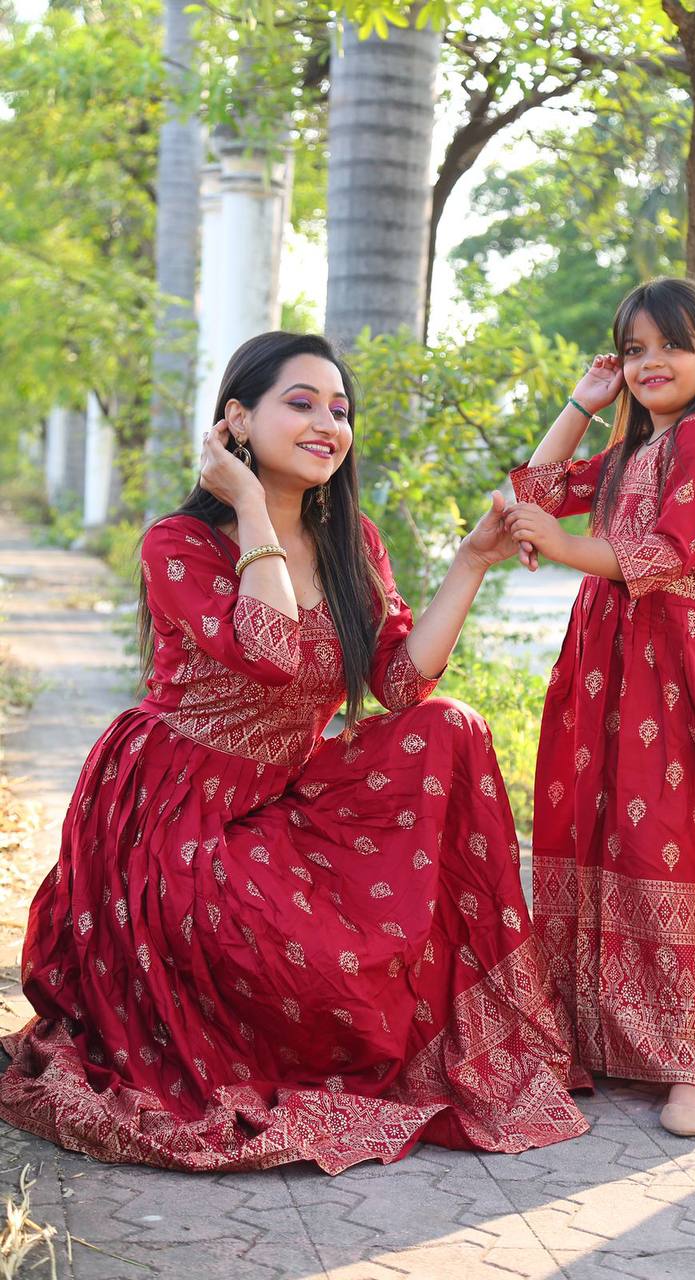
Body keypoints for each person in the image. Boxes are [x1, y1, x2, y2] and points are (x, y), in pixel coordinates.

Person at [0, 332, 590, 1173]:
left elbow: (397, 684)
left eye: (340, 410)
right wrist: (248, 506)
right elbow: (271, 650)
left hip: (284, 793)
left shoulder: (354, 541)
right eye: (302, 403)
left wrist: (470, 562)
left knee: (450, 726)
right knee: (279, 951)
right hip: (175, 814)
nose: (328, 425)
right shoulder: (178, 543)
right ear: (236, 420)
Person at [503, 278, 695, 1138]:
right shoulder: (630, 452)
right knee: (612, 837)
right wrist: (582, 402)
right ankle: (601, 1036)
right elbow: (533, 485)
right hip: (609, 670)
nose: (647, 363)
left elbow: (665, 556)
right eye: (633, 350)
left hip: (681, 674)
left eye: (668, 345)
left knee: (686, 841)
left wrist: (560, 549)